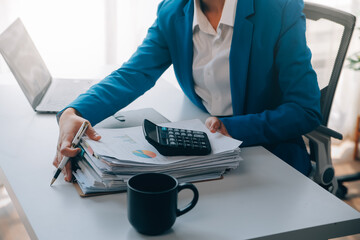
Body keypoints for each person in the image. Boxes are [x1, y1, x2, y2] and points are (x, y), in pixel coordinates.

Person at [53, 0, 321, 182]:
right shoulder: (174, 11)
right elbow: (134, 73)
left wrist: (233, 128)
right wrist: (74, 112)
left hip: (268, 154)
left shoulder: (278, 8)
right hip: (203, 152)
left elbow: (305, 109)